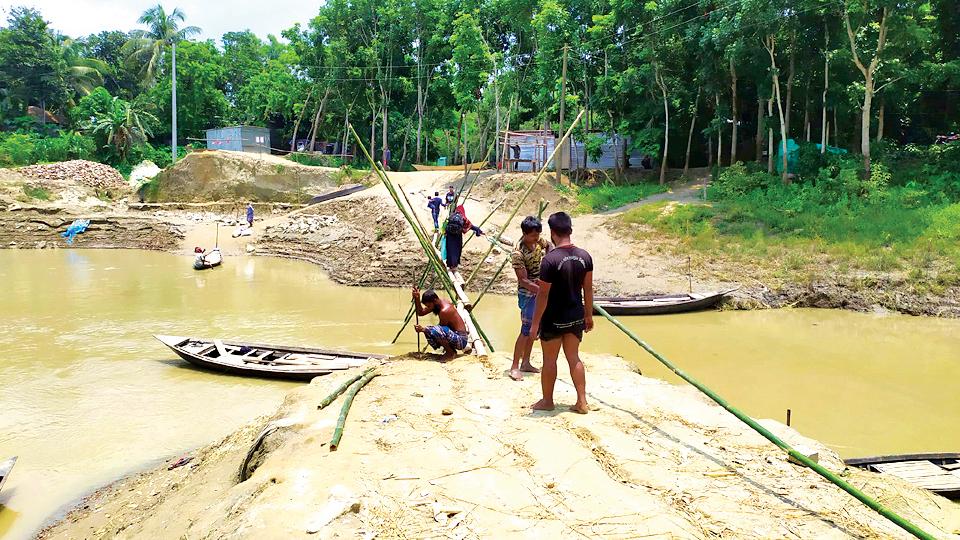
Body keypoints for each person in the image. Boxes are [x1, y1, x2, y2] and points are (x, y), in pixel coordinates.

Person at [529, 212, 594, 414]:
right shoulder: (585, 256)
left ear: (552, 233)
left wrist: (534, 324)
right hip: (576, 315)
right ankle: (582, 402)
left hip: (554, 318)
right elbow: (588, 289)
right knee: (574, 358)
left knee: (550, 360)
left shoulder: (549, 260)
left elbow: (543, 295)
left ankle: (548, 401)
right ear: (570, 230)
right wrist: (589, 316)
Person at [509, 216, 551, 381]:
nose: (536, 238)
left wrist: (549, 260)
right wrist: (542, 291)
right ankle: (514, 366)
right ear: (525, 234)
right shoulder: (518, 253)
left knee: (535, 328)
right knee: (526, 329)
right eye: (533, 236)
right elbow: (523, 280)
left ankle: (526, 362)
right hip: (528, 293)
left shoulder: (539, 241)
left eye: (538, 235)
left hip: (540, 287)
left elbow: (550, 246)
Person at [412, 287, 470, 361]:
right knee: (432, 330)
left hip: (461, 340)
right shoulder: (437, 303)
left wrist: (423, 329)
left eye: (429, 306)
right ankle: (450, 351)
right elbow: (421, 313)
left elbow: (440, 330)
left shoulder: (445, 310)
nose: (428, 308)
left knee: (435, 331)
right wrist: (417, 298)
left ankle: (450, 353)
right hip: (453, 335)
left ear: (434, 301)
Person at [445, 205, 483, 273]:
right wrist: (478, 231)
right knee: (456, 250)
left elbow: (446, 225)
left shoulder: (451, 216)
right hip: (457, 236)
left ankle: (450, 264)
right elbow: (471, 226)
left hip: (449, 236)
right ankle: (454, 265)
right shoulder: (463, 217)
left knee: (450, 249)